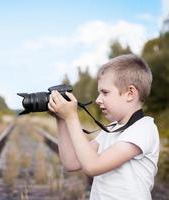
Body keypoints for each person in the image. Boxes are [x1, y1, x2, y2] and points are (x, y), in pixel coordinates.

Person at [48, 54, 160, 200]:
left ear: (130, 93)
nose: (98, 99)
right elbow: (71, 162)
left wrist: (71, 117)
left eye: (105, 92)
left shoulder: (143, 129)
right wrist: (62, 119)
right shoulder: (112, 129)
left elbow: (92, 166)